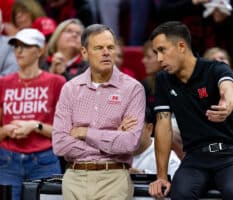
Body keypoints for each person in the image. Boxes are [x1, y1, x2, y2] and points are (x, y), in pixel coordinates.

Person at [148, 21, 233, 200]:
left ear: (181, 46)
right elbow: (163, 125)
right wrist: (161, 176)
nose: (159, 59)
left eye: (162, 50)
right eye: (156, 53)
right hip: (194, 159)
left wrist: (227, 105)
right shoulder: (164, 80)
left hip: (229, 154)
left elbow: (228, 90)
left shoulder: (215, 68)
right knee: (180, 194)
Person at [52, 24, 146, 200]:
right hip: (74, 178)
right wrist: (112, 139)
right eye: (99, 47)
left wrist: (84, 133)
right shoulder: (70, 88)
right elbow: (60, 144)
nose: (106, 52)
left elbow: (130, 143)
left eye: (110, 47)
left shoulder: (133, 89)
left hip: (114, 179)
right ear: (84, 52)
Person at [0, 28, 65, 200]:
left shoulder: (56, 82)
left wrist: (35, 126)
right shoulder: (3, 83)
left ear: (40, 50)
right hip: (7, 160)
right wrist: (6, 131)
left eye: (25, 46)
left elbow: (65, 132)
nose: (19, 51)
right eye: (16, 46)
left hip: (44, 160)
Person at [130, 107, 180, 177]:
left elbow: (175, 183)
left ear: (149, 129)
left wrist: (144, 175)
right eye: (126, 128)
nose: (130, 133)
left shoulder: (169, 158)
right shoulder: (115, 153)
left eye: (135, 128)